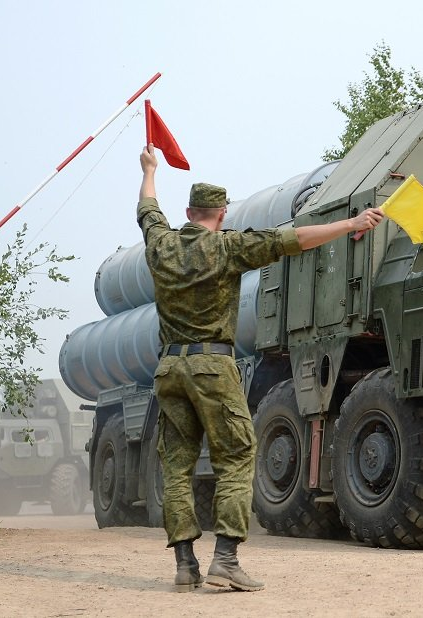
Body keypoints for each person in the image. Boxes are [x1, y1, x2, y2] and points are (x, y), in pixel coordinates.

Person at [137, 144, 383, 592]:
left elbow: (147, 209)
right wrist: (351, 223)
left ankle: (185, 565)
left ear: (190, 211)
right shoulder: (229, 246)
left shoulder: (161, 244)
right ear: (222, 213)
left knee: (176, 467)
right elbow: (293, 241)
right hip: (213, 365)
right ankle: (226, 560)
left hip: (169, 367)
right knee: (235, 455)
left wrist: (149, 169)